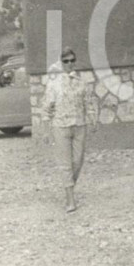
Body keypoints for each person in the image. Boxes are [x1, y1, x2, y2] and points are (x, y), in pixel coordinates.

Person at [42, 48, 98, 213]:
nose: (70, 64)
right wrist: (46, 131)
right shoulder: (54, 83)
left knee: (78, 161)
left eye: (72, 60)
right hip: (61, 127)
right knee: (65, 163)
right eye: (66, 61)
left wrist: (93, 119)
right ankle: (70, 199)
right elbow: (46, 108)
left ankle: (69, 186)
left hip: (79, 125)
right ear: (61, 63)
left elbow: (88, 102)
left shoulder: (81, 82)